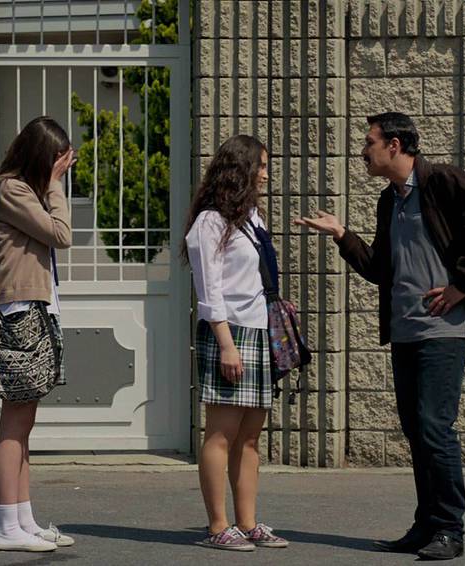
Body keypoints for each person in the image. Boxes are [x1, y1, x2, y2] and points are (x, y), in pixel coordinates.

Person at [295, 112, 465, 561]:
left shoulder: (443, 181)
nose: (363, 151)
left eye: (368, 142)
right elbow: (380, 268)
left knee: (434, 427)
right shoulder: (389, 200)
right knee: (416, 430)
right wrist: (342, 234)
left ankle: (449, 528)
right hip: (406, 330)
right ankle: (426, 525)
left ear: (394, 145)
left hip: (444, 330)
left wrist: (461, 286)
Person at [183, 135, 289, 552]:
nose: (265, 174)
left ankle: (247, 522)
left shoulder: (251, 218)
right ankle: (218, 525)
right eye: (260, 165)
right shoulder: (210, 222)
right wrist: (226, 344)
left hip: (259, 330)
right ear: (239, 169)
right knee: (221, 434)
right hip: (229, 333)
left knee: (249, 437)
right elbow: (209, 290)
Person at [0, 116, 76, 552]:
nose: (62, 170)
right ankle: (7, 527)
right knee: (14, 424)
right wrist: (55, 185)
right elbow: (61, 235)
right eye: (59, 162)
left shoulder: (20, 191)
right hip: (18, 315)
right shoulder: (11, 190)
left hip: (31, 310)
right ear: (42, 157)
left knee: (24, 424)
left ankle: (23, 520)